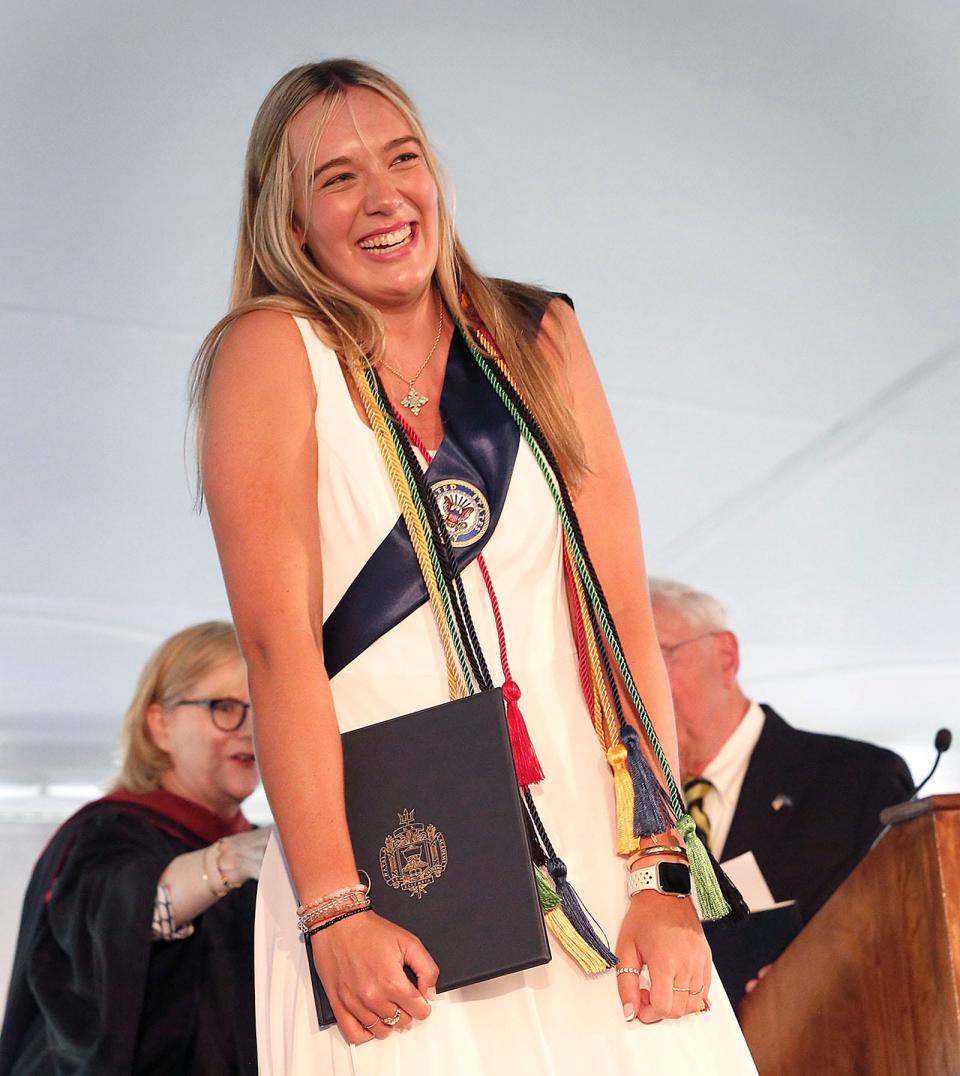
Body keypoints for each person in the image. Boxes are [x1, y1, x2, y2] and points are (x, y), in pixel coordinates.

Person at [192, 59, 757, 1074]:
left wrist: (666, 873)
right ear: (289, 218)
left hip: (598, 852)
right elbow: (280, 655)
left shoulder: (538, 334)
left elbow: (625, 618)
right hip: (388, 863)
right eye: (337, 178)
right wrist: (333, 907)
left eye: (401, 157)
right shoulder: (272, 351)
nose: (383, 196)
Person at [0, 621, 270, 1075]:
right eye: (224, 707)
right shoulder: (105, 832)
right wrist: (226, 862)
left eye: (261, 708)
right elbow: (114, 912)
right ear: (160, 724)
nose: (248, 730)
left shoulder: (265, 853)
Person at [650, 578, 914, 923]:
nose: (640, 682)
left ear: (726, 657)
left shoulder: (859, 779)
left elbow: (901, 928)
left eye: (657, 656)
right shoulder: (635, 807)